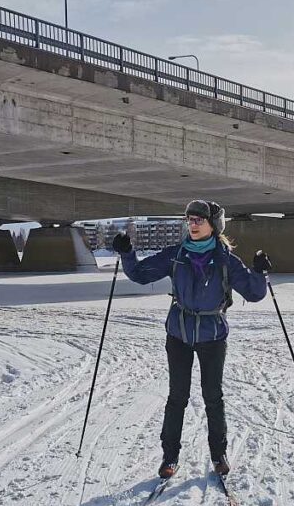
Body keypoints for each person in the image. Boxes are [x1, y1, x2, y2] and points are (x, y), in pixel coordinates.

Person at [112, 200, 270, 479]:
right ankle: (170, 456)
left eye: (199, 220)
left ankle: (219, 454)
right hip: (179, 335)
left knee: (213, 397)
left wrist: (259, 272)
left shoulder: (226, 260)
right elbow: (139, 274)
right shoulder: (176, 255)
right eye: (190, 220)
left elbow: (254, 293)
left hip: (213, 336)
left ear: (214, 225)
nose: (193, 224)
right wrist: (127, 253)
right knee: (177, 397)